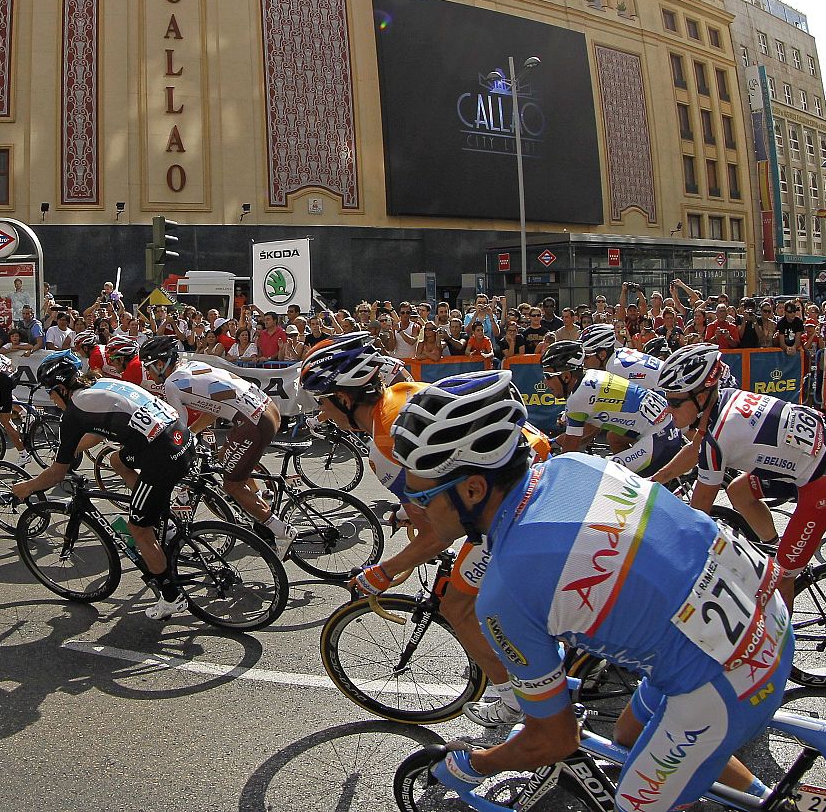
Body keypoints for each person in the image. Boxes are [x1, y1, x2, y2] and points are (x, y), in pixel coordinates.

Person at [376, 370, 792, 808]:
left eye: (422, 499)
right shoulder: (572, 465)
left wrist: (472, 764)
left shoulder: (505, 593)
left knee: (633, 802)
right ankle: (771, 802)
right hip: (766, 610)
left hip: (728, 676)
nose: (416, 512)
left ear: (474, 489)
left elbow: (553, 740)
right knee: (629, 734)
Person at [302, 334, 547, 728]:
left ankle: (514, 703)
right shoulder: (401, 391)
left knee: (457, 605)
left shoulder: (384, 445)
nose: (324, 414)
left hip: (506, 494)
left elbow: (437, 535)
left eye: (324, 403)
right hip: (527, 460)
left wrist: (380, 574)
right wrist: (408, 510)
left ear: (345, 399)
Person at [651, 343, 826, 606]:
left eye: (674, 401)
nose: (668, 410)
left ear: (701, 394)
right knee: (738, 491)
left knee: (781, 578)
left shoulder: (719, 438)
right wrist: (653, 482)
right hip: (809, 455)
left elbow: (698, 514)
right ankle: (775, 546)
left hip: (822, 483)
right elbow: (694, 449)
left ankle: (780, 644)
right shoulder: (722, 400)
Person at [10, 351, 196, 620]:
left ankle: (171, 598)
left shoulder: (73, 412)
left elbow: (57, 475)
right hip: (181, 437)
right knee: (117, 460)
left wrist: (27, 487)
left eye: (50, 392)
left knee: (138, 529)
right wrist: (71, 449)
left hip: (163, 455)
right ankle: (161, 518)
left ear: (62, 388)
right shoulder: (100, 384)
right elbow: (99, 430)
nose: (50, 398)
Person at [141, 335, 291, 555]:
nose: (147, 373)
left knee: (232, 486)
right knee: (224, 458)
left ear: (160, 364)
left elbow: (178, 432)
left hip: (253, 423)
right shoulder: (194, 365)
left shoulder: (171, 384)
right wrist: (193, 433)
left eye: (148, 367)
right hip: (267, 408)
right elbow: (212, 410)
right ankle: (258, 502)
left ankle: (282, 532)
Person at [540, 340, 683, 476]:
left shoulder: (578, 398)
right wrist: (554, 443)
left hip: (658, 438)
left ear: (566, 377)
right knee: (614, 438)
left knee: (602, 476)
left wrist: (547, 457)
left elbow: (569, 452)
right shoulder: (592, 375)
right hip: (665, 428)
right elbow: (584, 432)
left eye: (548, 376)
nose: (545, 382)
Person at [579, 322, 664, 391]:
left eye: (586, 356)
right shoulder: (621, 351)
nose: (583, 361)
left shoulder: (615, 368)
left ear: (602, 355)